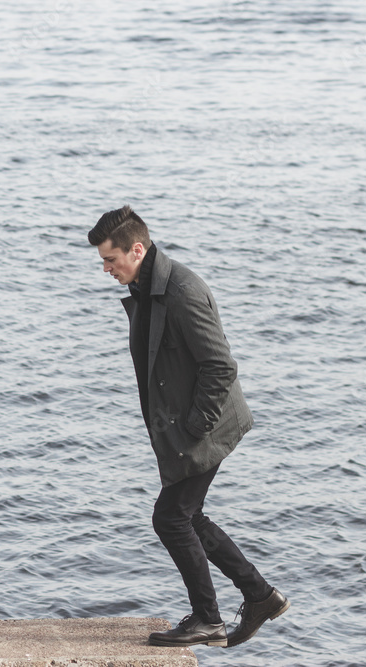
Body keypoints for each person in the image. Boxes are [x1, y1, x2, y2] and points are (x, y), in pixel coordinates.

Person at [88, 205, 290, 649]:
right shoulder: (147, 286)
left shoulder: (181, 290)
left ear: (136, 249)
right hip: (189, 425)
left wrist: (192, 431)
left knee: (170, 518)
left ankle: (208, 619)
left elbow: (220, 366)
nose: (105, 269)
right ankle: (260, 596)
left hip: (207, 426)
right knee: (187, 515)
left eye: (110, 259)